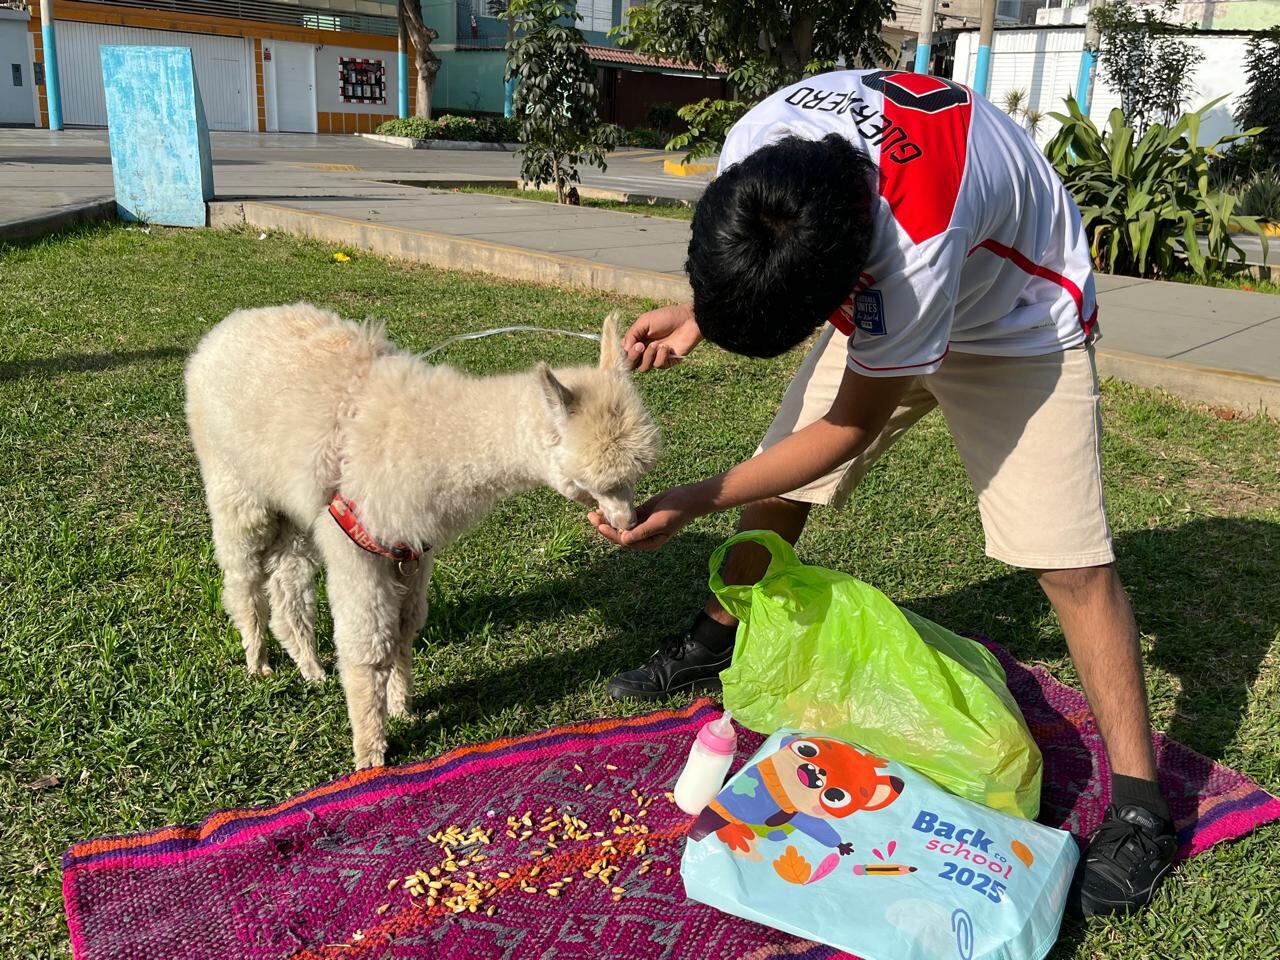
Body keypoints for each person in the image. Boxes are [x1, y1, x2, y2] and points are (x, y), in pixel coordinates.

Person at [588, 69, 1176, 917]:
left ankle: (1141, 805)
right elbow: (767, 238)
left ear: (848, 278)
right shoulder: (761, 144)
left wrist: (693, 496)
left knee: (1066, 557)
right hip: (900, 269)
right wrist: (703, 310)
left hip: (1017, 319)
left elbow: (846, 428)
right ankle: (720, 632)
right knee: (778, 485)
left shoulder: (916, 247)